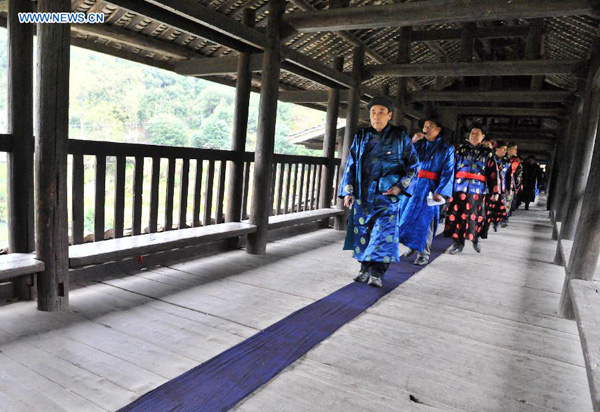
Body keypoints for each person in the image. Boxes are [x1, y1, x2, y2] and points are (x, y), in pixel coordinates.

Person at [339, 96, 419, 287]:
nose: (376, 116)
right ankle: (364, 268)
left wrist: (400, 186)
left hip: (387, 195)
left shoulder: (400, 137)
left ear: (389, 115)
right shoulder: (361, 136)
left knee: (383, 234)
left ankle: (377, 273)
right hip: (362, 194)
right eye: (373, 112)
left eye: (381, 112)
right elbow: (350, 165)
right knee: (363, 232)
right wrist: (348, 190)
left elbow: (414, 166)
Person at [398, 117, 454, 266]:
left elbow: (448, 171)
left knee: (425, 221)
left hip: (431, 187)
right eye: (425, 126)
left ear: (438, 129)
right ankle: (411, 246)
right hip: (413, 186)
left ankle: (424, 252)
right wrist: (413, 141)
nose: (427, 128)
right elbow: (402, 159)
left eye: (431, 126)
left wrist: (440, 191)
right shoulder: (418, 144)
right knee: (406, 216)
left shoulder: (447, 148)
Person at [444, 125, 499, 254]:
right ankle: (457, 244)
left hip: (477, 190)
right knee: (456, 216)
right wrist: (446, 187)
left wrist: (495, 191)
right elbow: (450, 169)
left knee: (475, 217)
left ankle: (475, 238)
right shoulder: (460, 150)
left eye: (477, 133)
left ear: (483, 137)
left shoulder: (488, 153)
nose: (474, 135)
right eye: (472, 133)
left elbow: (493, 174)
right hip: (458, 188)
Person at [481, 140, 509, 237]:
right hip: (487, 188)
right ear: (496, 149)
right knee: (486, 212)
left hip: (498, 189)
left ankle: (493, 225)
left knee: (494, 210)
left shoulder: (504, 161)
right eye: (503, 149)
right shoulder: (489, 158)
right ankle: (481, 232)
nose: (505, 152)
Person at [503, 143, 523, 223]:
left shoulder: (516, 161)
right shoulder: (502, 158)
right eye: (514, 149)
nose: (516, 151)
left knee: (508, 201)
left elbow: (518, 175)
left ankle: (505, 216)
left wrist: (517, 185)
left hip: (510, 184)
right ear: (508, 149)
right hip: (500, 182)